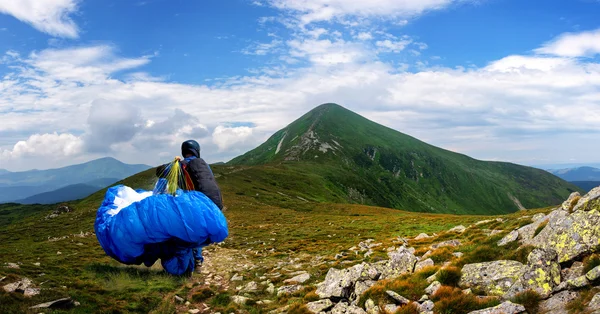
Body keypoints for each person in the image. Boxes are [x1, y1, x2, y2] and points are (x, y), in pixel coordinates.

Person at [155, 139, 224, 273]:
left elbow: (160, 172)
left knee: (187, 232)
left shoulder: (180, 165)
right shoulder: (203, 165)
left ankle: (186, 266)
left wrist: (174, 162)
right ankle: (197, 261)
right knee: (198, 232)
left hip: (192, 204)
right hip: (211, 204)